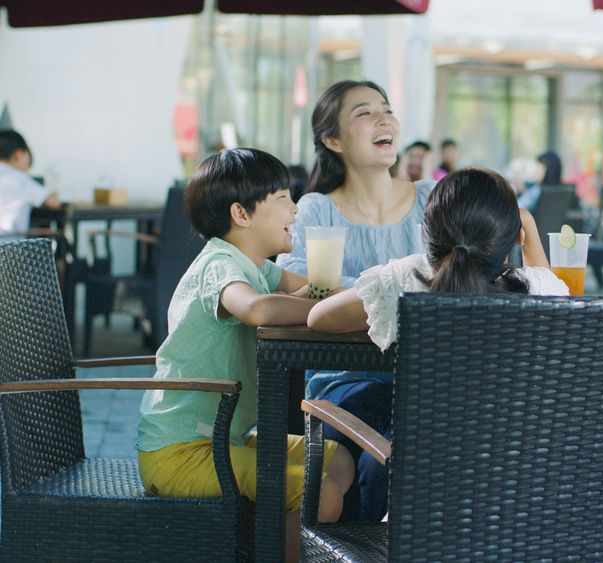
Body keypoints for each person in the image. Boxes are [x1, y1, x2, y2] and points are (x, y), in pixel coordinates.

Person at [136, 148, 354, 560]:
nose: (295, 208)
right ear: (241, 214)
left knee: (338, 460)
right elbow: (256, 309)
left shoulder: (257, 266)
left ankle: (269, 540)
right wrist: (323, 310)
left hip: (225, 439)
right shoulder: (220, 264)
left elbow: (309, 289)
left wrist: (350, 293)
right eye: (283, 199)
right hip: (179, 454)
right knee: (322, 492)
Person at [276, 80, 434, 521]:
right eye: (365, 113)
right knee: (379, 464)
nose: (384, 119)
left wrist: (346, 290)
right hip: (344, 381)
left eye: (387, 109)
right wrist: (400, 286)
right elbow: (292, 283)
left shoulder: (429, 201)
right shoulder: (316, 209)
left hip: (427, 378)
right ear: (333, 139)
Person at [307, 165, 568, 353]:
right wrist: (527, 226)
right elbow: (546, 284)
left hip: (415, 429)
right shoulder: (538, 290)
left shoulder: (404, 278)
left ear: (427, 236)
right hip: (515, 430)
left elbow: (318, 318)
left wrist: (387, 319)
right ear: (516, 238)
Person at [0, 129, 61, 241]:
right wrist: (53, 185)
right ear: (18, 154)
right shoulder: (19, 179)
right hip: (8, 246)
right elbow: (53, 203)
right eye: (28, 163)